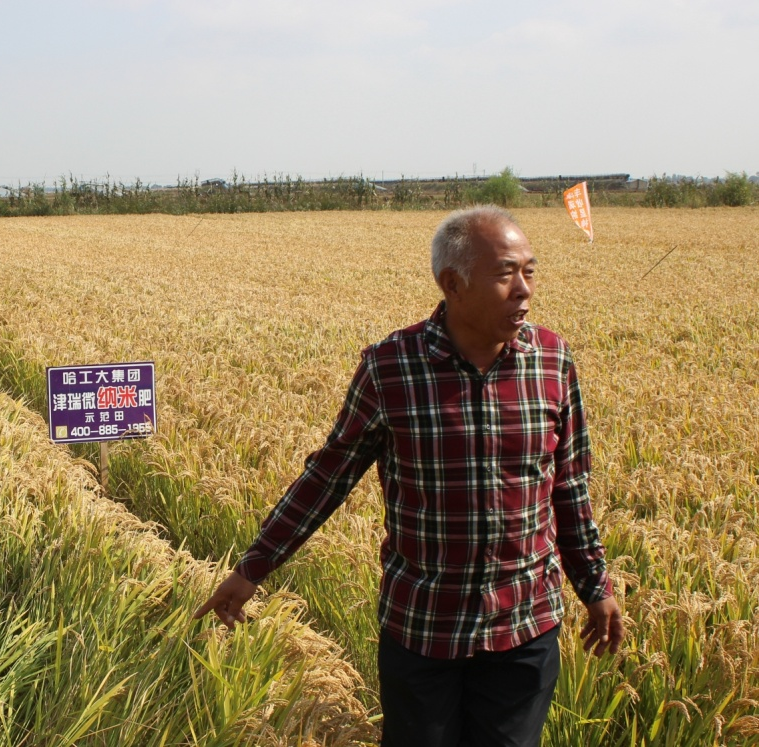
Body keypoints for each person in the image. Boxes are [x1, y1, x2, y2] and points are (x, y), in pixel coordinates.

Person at [194, 206, 624, 747]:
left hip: (524, 628)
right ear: (453, 284)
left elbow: (569, 484)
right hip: (424, 630)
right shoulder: (391, 368)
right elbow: (328, 478)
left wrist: (594, 586)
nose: (524, 290)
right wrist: (253, 567)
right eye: (505, 273)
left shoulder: (553, 362)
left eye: (530, 272)